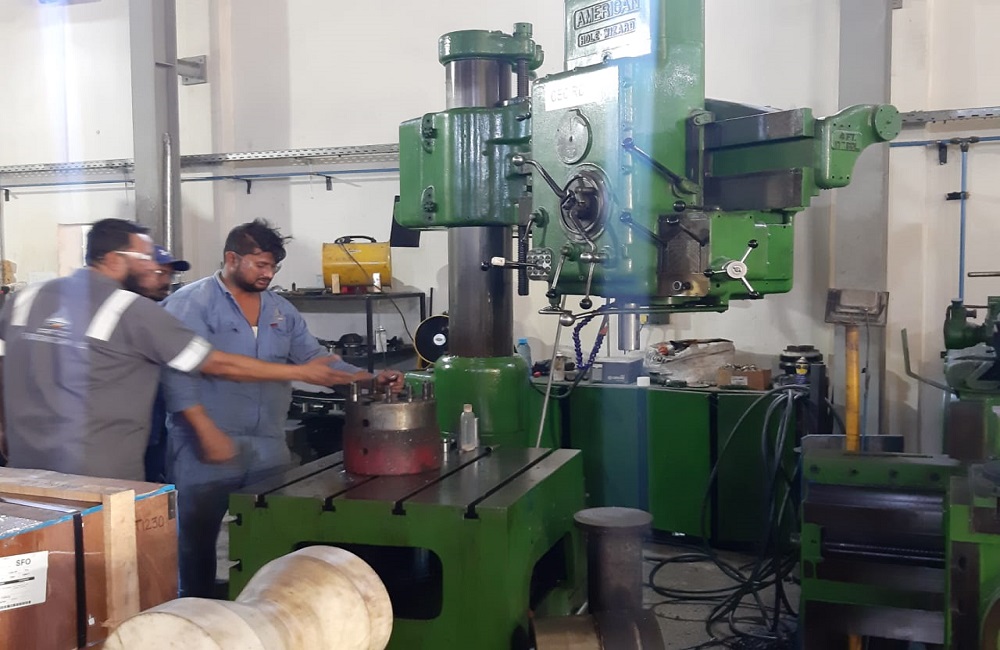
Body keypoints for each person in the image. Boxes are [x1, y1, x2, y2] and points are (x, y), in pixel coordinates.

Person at [0, 218, 357, 480]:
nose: (155, 267)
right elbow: (213, 364)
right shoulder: (136, 310)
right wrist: (298, 373)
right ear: (114, 259)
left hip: (25, 470)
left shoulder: (24, 299)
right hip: (101, 474)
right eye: (145, 258)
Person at [161, 218, 403, 598]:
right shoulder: (191, 304)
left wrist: (369, 379)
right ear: (231, 259)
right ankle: (194, 611)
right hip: (205, 443)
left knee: (269, 529)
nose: (268, 274)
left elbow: (316, 360)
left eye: (273, 267)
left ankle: (261, 610)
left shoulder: (280, 310)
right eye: (261, 265)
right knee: (197, 539)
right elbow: (177, 375)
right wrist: (204, 431)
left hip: (268, 442)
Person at [136, 245, 192, 482]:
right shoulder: (125, 316)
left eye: (170, 274)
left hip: (158, 426)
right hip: (126, 434)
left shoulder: (164, 313)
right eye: (159, 273)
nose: (166, 281)